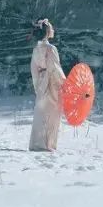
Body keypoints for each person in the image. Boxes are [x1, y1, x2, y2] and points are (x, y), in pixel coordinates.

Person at [29, 18, 67, 151]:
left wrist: (37, 85)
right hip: (51, 82)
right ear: (47, 32)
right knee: (52, 114)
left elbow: (33, 69)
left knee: (40, 113)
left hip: (41, 81)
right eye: (51, 28)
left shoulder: (36, 48)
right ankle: (48, 144)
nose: (52, 30)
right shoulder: (51, 48)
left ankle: (37, 143)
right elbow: (55, 68)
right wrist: (64, 82)